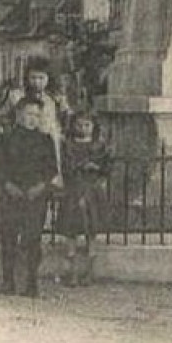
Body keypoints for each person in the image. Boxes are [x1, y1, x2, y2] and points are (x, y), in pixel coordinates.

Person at [0, 98, 58, 297]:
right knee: (8, 238)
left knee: (33, 239)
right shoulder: (7, 138)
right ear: (19, 114)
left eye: (37, 115)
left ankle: (32, 282)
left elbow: (51, 169)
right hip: (11, 196)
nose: (33, 119)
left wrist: (40, 187)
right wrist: (9, 185)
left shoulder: (45, 140)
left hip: (35, 197)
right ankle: (8, 281)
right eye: (29, 114)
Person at [57, 113, 112, 286]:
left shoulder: (99, 146)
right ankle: (72, 273)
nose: (82, 128)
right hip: (74, 190)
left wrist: (98, 168)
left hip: (93, 191)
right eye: (79, 125)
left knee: (91, 233)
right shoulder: (68, 145)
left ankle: (89, 272)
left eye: (87, 125)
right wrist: (81, 166)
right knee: (71, 232)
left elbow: (107, 167)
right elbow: (66, 166)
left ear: (93, 126)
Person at [0, 60, 66, 175]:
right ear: (27, 78)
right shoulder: (16, 96)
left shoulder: (55, 98)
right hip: (24, 141)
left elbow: (66, 117)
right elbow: (4, 117)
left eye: (41, 78)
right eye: (33, 78)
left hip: (49, 141)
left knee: (49, 172)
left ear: (48, 78)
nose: (37, 82)